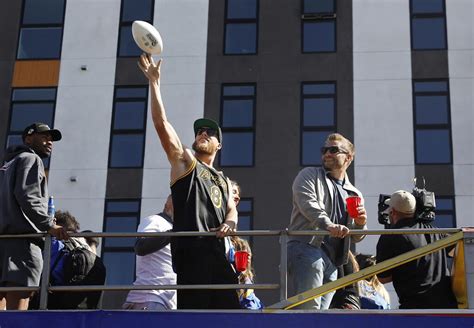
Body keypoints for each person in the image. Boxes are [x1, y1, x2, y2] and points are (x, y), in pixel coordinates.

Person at [138, 54, 240, 309]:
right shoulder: (186, 163)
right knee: (195, 320)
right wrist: (154, 83)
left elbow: (232, 209)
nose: (202, 133)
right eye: (199, 131)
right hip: (191, 257)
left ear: (220, 144)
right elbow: (161, 125)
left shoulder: (224, 180)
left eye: (209, 132)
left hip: (219, 259)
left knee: (233, 318)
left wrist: (229, 223)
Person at [287, 133, 367, 309]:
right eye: (324, 150)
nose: (327, 154)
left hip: (333, 260)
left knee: (321, 315)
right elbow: (309, 205)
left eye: (333, 150)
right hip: (307, 248)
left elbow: (356, 236)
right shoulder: (308, 175)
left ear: (348, 157)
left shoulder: (354, 193)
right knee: (310, 310)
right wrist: (329, 225)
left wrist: (361, 223)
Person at [0, 122, 68, 310]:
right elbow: (28, 196)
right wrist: (49, 225)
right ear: (29, 137)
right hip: (23, 244)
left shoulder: (7, 164)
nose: (50, 141)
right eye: (44, 136)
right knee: (19, 304)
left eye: (51, 139)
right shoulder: (30, 159)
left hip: (4, 240)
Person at [376, 190, 457, 309]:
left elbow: (383, 278)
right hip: (447, 308)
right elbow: (456, 249)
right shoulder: (434, 232)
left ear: (392, 212)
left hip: (415, 309)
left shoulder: (390, 235)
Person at [122, 195, 177, 310]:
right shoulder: (155, 220)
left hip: (165, 301)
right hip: (149, 298)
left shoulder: (173, 228)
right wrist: (173, 233)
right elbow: (141, 247)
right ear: (168, 204)